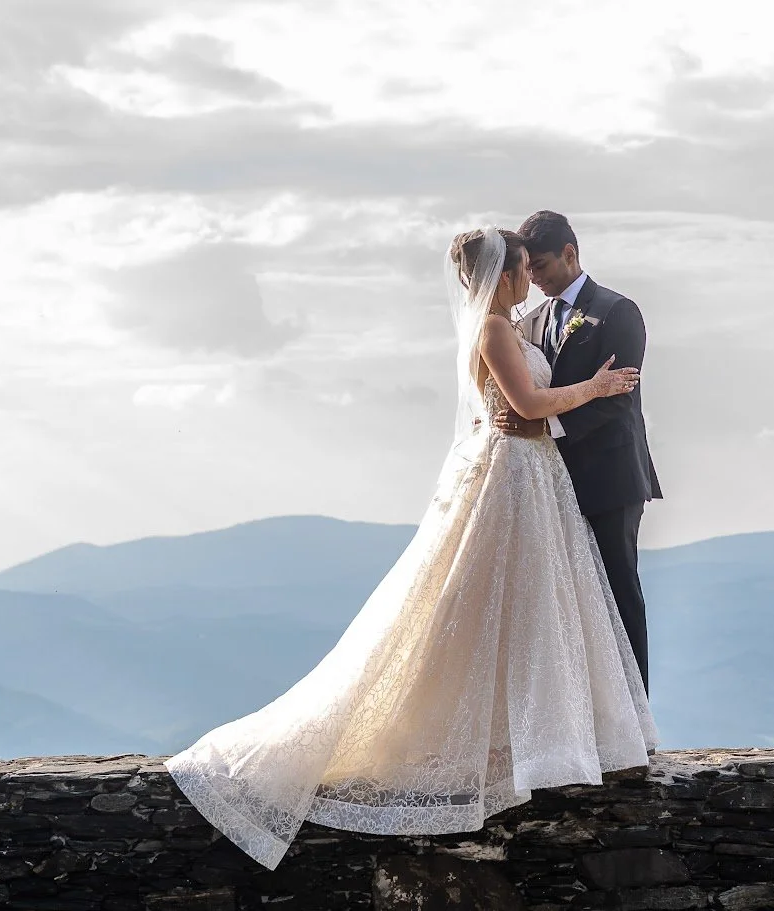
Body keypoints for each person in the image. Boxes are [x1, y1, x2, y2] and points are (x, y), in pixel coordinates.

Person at [165, 227, 658, 871]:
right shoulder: (496, 329)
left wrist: (542, 412)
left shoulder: (529, 321)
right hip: (514, 474)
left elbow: (524, 407)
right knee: (484, 606)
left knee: (542, 607)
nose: (526, 279)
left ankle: (548, 739)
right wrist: (591, 388)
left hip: (537, 476)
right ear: (499, 275)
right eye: (518, 270)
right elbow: (528, 403)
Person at [495, 211, 662, 692]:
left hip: (611, 476)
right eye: (528, 268)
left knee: (618, 592)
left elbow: (618, 399)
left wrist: (544, 426)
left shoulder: (617, 311)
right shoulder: (532, 320)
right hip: (553, 480)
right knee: (574, 604)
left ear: (571, 253)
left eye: (542, 266)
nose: (535, 278)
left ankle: (637, 714)